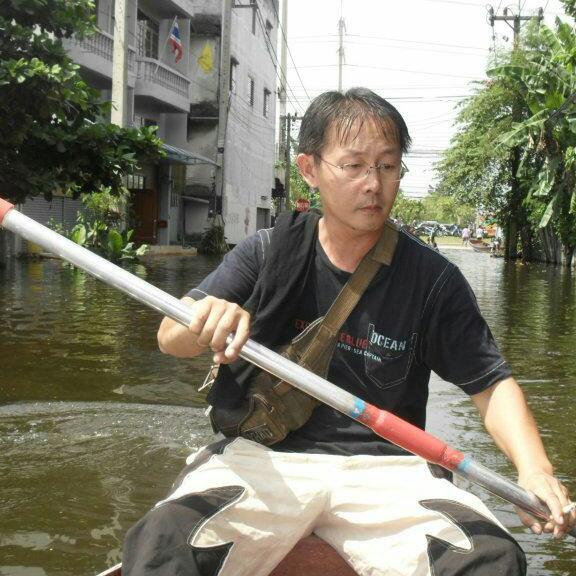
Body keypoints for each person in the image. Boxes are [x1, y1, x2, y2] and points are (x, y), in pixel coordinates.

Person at [123, 88, 575, 576]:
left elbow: (491, 387)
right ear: (309, 168)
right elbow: (171, 334)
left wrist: (536, 471)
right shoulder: (265, 252)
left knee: (492, 558)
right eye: (354, 165)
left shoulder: (433, 280)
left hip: (388, 471)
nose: (373, 184)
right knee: (160, 542)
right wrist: (208, 319)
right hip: (266, 461)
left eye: (387, 166)